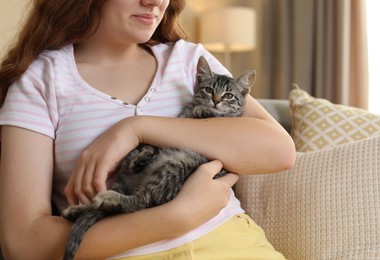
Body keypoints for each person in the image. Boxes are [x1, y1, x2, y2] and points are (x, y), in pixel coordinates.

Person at [0, 0, 296, 259]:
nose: (155, 1)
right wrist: (176, 217)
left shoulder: (188, 60)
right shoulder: (41, 80)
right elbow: (23, 244)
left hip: (235, 247)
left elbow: (279, 152)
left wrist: (137, 128)